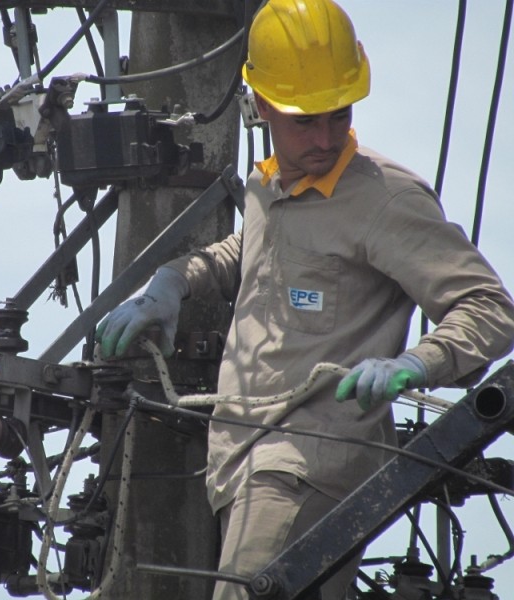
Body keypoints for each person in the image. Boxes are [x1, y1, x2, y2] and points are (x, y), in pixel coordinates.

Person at [94, 0, 514, 598]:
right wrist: (174, 280)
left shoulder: (386, 200)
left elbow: (489, 305)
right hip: (240, 456)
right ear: (261, 104)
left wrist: (415, 363)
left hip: (306, 463)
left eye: (336, 116)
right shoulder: (270, 185)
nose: (323, 138)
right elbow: (252, 254)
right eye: (303, 120)